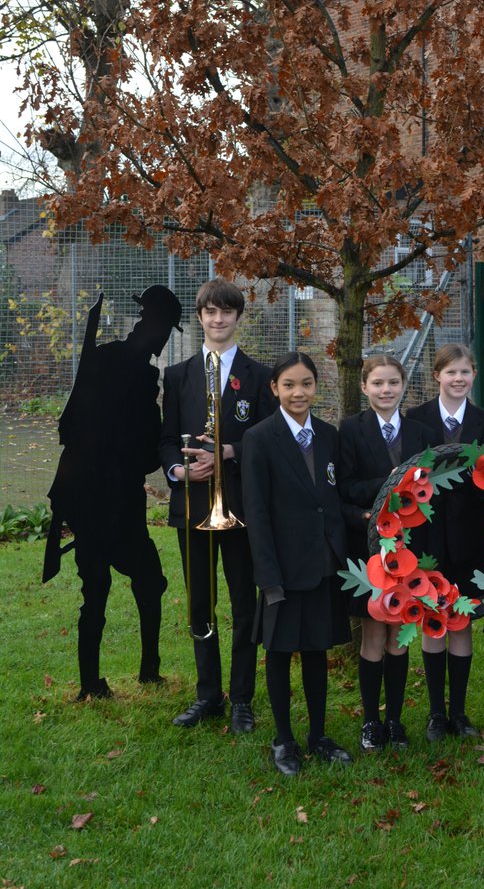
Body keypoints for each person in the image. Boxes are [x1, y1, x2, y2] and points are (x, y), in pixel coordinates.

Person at [44, 284, 183, 700]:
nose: (162, 340)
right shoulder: (131, 372)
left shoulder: (115, 362)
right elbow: (134, 445)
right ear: (152, 326)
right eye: (164, 330)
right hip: (106, 495)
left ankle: (123, 676)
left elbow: (70, 427)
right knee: (124, 582)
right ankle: (121, 677)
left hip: (102, 494)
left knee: (115, 584)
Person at [160, 277, 275, 734]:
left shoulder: (261, 375)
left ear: (238, 317)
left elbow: (269, 440)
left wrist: (229, 452)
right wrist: (179, 472)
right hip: (194, 507)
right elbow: (167, 440)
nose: (218, 319)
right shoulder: (178, 374)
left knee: (245, 606)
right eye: (210, 311)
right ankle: (208, 694)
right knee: (200, 605)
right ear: (201, 316)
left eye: (227, 311)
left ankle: (242, 698)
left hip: (242, 508)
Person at [242, 352, 352, 776]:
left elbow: (332, 495)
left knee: (315, 651)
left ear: (315, 387)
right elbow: (257, 511)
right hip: (282, 571)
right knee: (281, 652)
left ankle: (319, 735)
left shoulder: (327, 434)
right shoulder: (260, 438)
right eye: (289, 384)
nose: (298, 392)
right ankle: (283, 739)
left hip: (322, 565)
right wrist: (268, 576)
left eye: (306, 383)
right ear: (275, 389)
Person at [339, 354, 437, 752]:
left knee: (401, 633)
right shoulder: (350, 430)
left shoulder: (421, 432)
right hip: (370, 548)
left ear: (403, 385)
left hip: (412, 548)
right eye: (377, 383)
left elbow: (431, 489)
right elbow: (346, 487)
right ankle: (370, 722)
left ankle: (395, 720)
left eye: (393, 383)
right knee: (374, 634)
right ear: (364, 387)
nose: (385, 390)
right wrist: (393, 483)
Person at [405, 342, 484, 740]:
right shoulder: (416, 418)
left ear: (473, 375)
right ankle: (434, 714)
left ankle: (459, 713)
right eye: (451, 372)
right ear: (437, 376)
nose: (458, 379)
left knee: (461, 619)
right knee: (432, 620)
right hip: (427, 534)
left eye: (465, 372)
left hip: (470, 534)